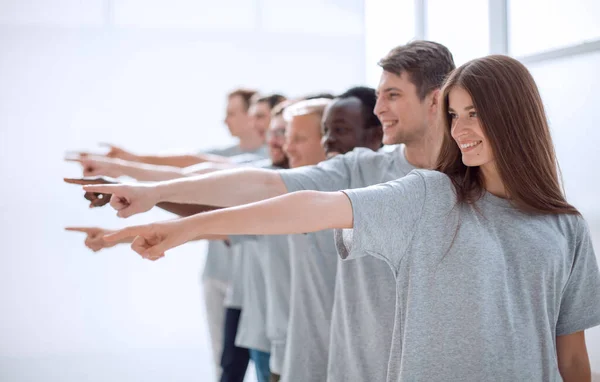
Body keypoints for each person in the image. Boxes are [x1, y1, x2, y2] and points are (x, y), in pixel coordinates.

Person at [90, 55, 600, 382]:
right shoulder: (429, 195)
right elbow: (305, 203)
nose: (460, 129)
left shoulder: (565, 227)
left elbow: (573, 360)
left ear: (514, 116)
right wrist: (183, 223)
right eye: (455, 115)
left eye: (473, 114)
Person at [79, 41, 454, 382]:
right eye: (378, 96)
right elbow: (263, 185)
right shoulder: (359, 169)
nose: (379, 108)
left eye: (392, 95)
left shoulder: (469, 180)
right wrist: (155, 193)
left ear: (434, 101)